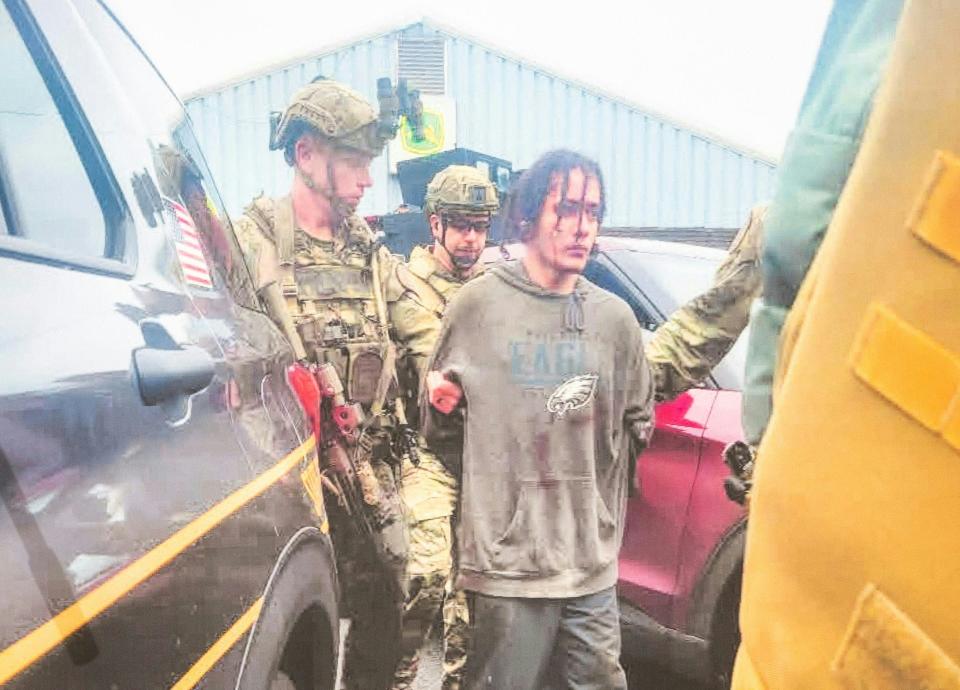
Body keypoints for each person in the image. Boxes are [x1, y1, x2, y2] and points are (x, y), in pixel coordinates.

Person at [232, 77, 439, 690]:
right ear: (305, 155)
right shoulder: (255, 242)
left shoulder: (367, 250)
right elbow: (228, 350)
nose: (367, 178)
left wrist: (446, 373)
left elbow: (424, 327)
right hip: (290, 479)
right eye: (354, 161)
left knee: (395, 597)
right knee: (291, 631)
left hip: (368, 468)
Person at [422, 150, 655, 690]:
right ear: (528, 217)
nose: (581, 227)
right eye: (566, 209)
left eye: (592, 212)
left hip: (588, 564)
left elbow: (637, 421)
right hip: (510, 568)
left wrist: (598, 512)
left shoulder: (614, 320)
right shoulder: (477, 307)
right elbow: (440, 432)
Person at [392, 165, 500, 690]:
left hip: (485, 461)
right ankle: (396, 676)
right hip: (426, 455)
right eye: (460, 225)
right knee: (428, 575)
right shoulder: (402, 285)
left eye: (480, 226)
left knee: (473, 602)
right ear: (434, 224)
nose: (471, 238)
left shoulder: (499, 289)